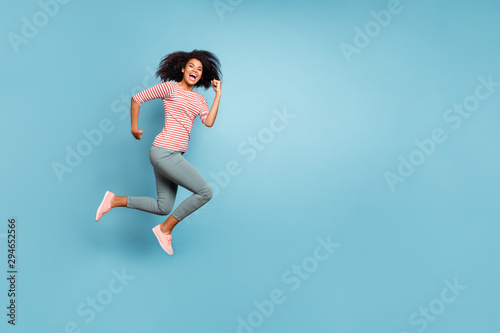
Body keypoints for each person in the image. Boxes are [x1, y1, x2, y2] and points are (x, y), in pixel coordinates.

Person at [95, 49, 222, 255]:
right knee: (205, 192)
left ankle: (114, 200)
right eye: (191, 66)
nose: (195, 70)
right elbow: (138, 98)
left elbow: (208, 122)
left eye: (199, 69)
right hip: (163, 152)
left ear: (201, 76)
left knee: (163, 207)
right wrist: (134, 128)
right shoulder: (170, 88)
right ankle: (165, 229)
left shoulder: (200, 100)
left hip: (174, 155)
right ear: (182, 68)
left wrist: (218, 95)